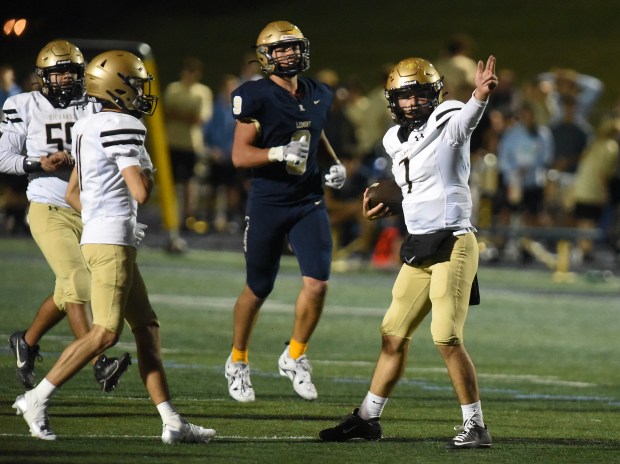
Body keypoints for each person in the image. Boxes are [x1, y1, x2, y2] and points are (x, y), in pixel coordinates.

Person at [13, 50, 215, 444]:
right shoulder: (125, 125)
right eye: (136, 85)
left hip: (99, 234)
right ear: (117, 87)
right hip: (112, 241)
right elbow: (140, 190)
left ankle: (171, 421)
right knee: (105, 333)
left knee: (146, 327)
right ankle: (36, 398)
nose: (141, 93)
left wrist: (101, 219)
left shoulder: (87, 125)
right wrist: (142, 181)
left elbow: (74, 193)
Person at [319, 55, 498, 449]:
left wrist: (480, 97)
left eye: (420, 94)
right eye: (405, 96)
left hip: (453, 241)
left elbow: (465, 121)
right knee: (392, 335)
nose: (413, 102)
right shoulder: (392, 139)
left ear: (435, 95)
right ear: (393, 100)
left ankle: (477, 425)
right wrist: (386, 200)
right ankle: (367, 418)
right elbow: (413, 185)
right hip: (419, 245)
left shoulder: (449, 117)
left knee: (446, 336)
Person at [224, 20, 346, 403]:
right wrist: (275, 153)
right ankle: (238, 360)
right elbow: (240, 155)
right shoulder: (254, 96)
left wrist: (332, 163)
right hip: (269, 201)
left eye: (294, 47)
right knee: (258, 287)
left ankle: (295, 355)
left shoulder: (317, 92)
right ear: (267, 56)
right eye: (281, 49)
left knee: (318, 282)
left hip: (308, 200)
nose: (290, 53)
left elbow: (315, 131)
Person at [0, 39, 130, 392]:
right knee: (78, 281)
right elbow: (3, 157)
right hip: (47, 204)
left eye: (71, 72)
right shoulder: (22, 105)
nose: (64, 80)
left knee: (65, 290)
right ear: (43, 76)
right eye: (57, 74)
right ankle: (98, 361)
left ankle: (25, 340)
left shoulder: (93, 105)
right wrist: (39, 163)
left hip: (89, 208)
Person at [163, 56, 213, 230]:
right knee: (172, 182)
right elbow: (167, 114)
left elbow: (199, 119)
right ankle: (171, 216)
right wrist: (187, 116)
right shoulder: (173, 89)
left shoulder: (203, 92)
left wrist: (180, 115)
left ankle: (188, 216)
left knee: (190, 182)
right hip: (173, 141)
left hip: (192, 144)